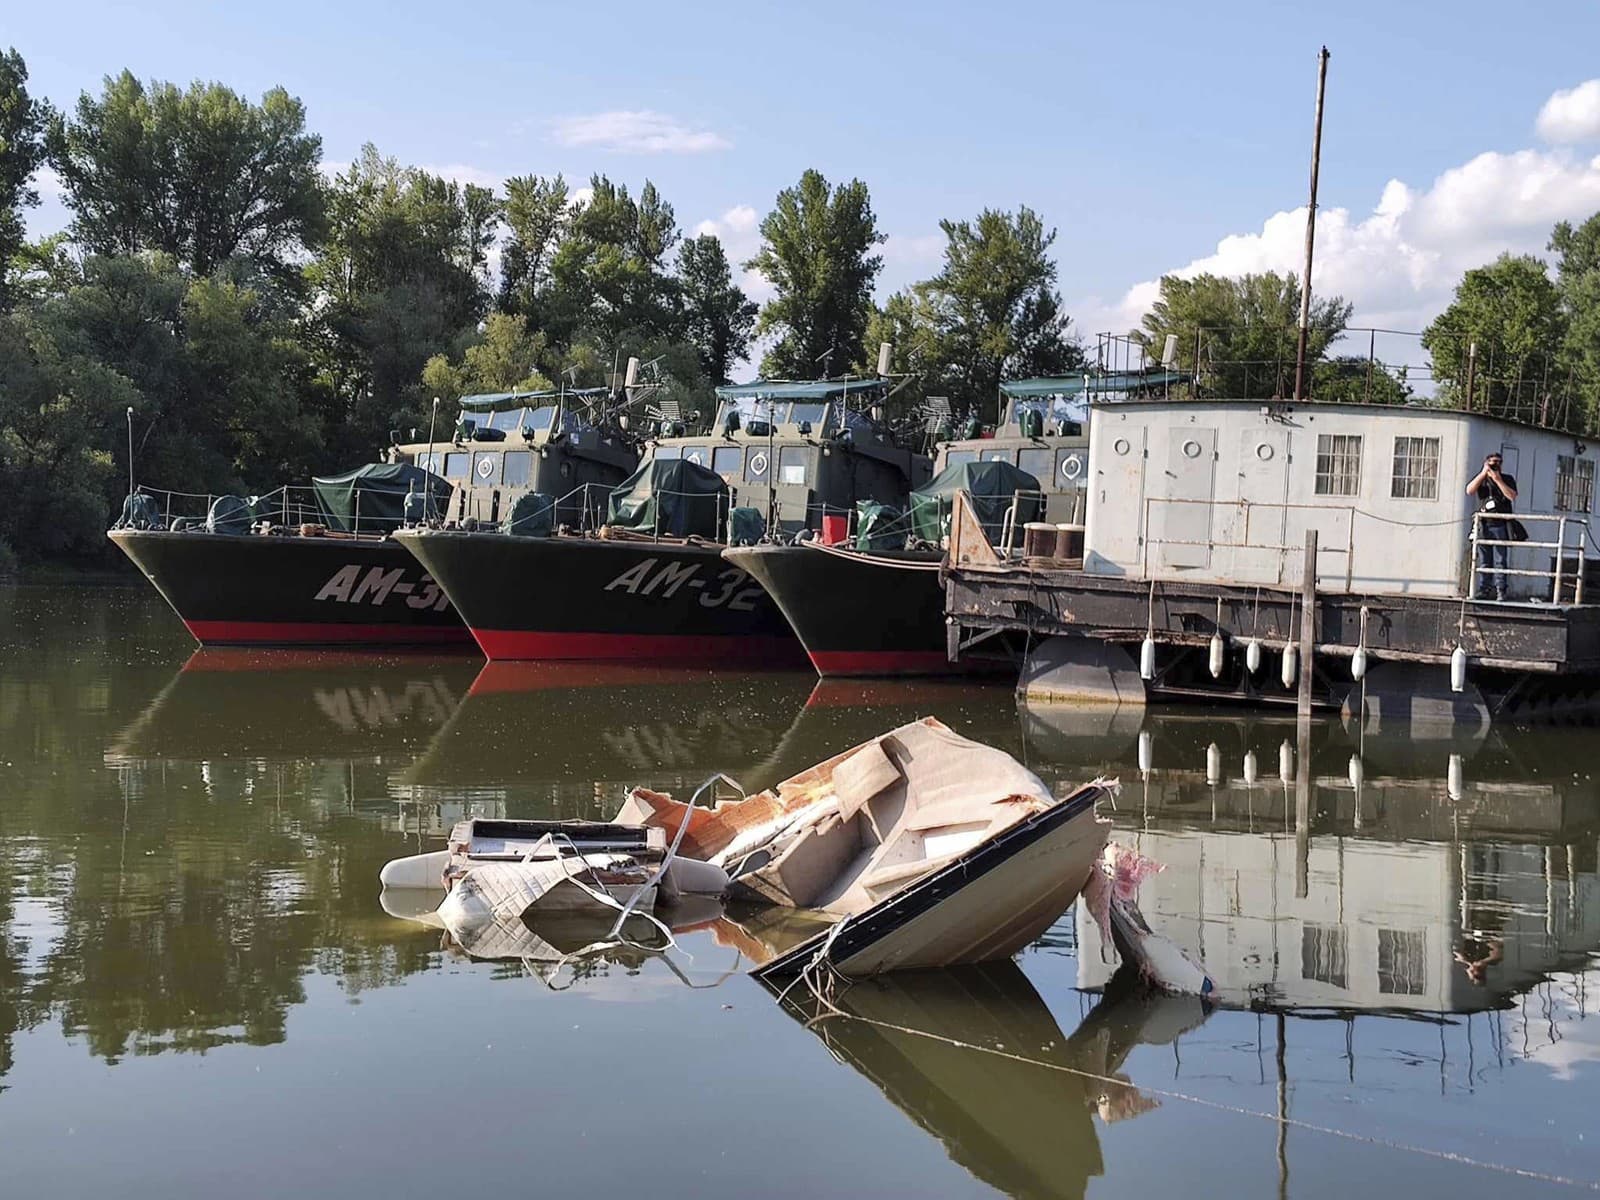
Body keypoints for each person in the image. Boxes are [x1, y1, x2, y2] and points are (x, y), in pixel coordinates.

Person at [1465, 451, 1518, 600]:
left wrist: (1498, 480)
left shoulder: (1507, 479)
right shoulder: (1482, 480)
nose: (1496, 465)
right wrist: (1484, 473)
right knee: (1484, 560)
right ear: (1486, 462)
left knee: (1500, 560)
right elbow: (1469, 490)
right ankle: (1484, 589)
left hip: (1500, 524)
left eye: (1499, 462)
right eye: (1493, 462)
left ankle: (1501, 589)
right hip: (1484, 524)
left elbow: (1512, 496)